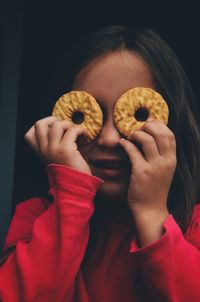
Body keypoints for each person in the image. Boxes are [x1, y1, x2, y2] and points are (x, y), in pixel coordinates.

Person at [1, 25, 200, 302]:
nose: (108, 137)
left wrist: (151, 210)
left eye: (135, 116)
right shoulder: (35, 218)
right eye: (86, 114)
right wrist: (71, 194)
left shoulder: (195, 224)